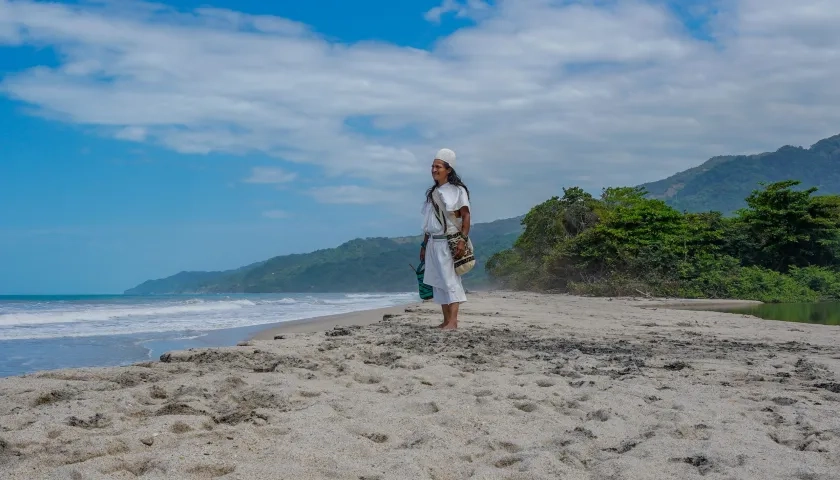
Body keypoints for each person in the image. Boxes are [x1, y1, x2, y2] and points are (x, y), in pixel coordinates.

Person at [420, 148, 472, 329]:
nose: (434, 170)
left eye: (438, 166)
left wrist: (462, 240)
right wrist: (424, 245)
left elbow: (465, 216)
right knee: (438, 281)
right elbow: (429, 222)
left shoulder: (458, 191)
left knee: (450, 280)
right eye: (433, 166)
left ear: (448, 169)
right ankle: (445, 320)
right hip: (433, 242)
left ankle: (453, 321)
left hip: (448, 241)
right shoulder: (432, 193)